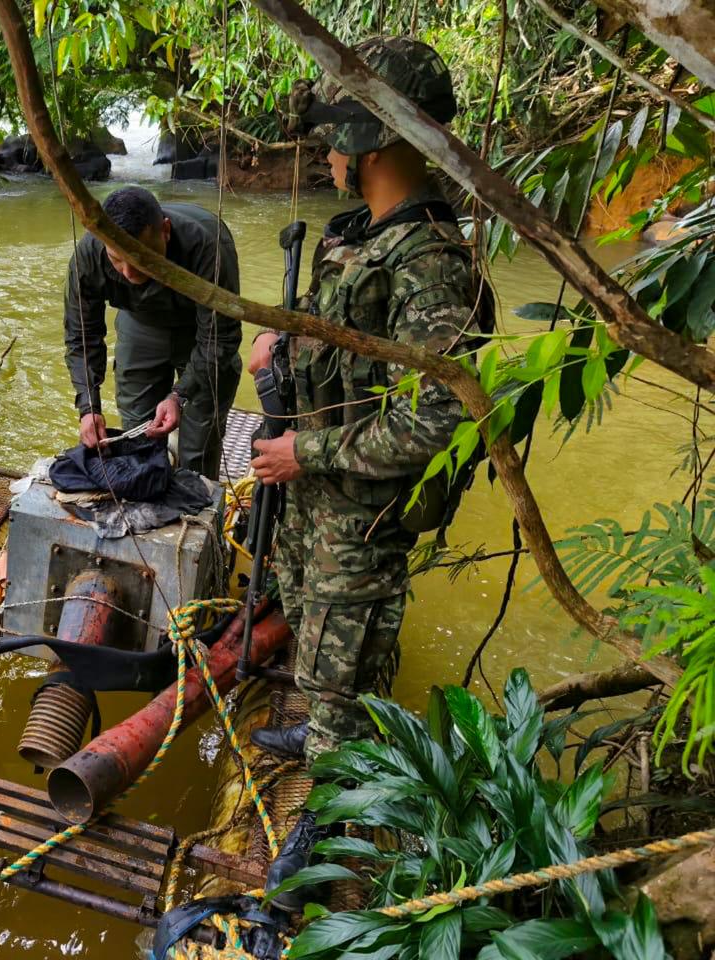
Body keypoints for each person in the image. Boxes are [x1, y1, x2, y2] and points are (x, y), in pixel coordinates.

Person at [245, 37, 493, 895]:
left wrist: (302, 449)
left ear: (373, 142)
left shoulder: (429, 260)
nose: (326, 152)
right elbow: (347, 347)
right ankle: (317, 728)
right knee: (315, 629)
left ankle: (333, 807)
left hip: (364, 504)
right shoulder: (363, 237)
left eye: (335, 136)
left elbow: (440, 417)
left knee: (351, 653)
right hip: (319, 493)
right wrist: (285, 343)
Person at [64, 186, 242, 480]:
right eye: (116, 259)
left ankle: (196, 511)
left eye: (140, 259)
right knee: (139, 440)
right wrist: (88, 406)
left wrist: (179, 395)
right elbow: (81, 334)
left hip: (200, 329)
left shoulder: (208, 245)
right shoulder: (89, 253)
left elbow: (220, 338)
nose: (129, 274)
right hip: (140, 323)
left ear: (166, 231)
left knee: (198, 448)